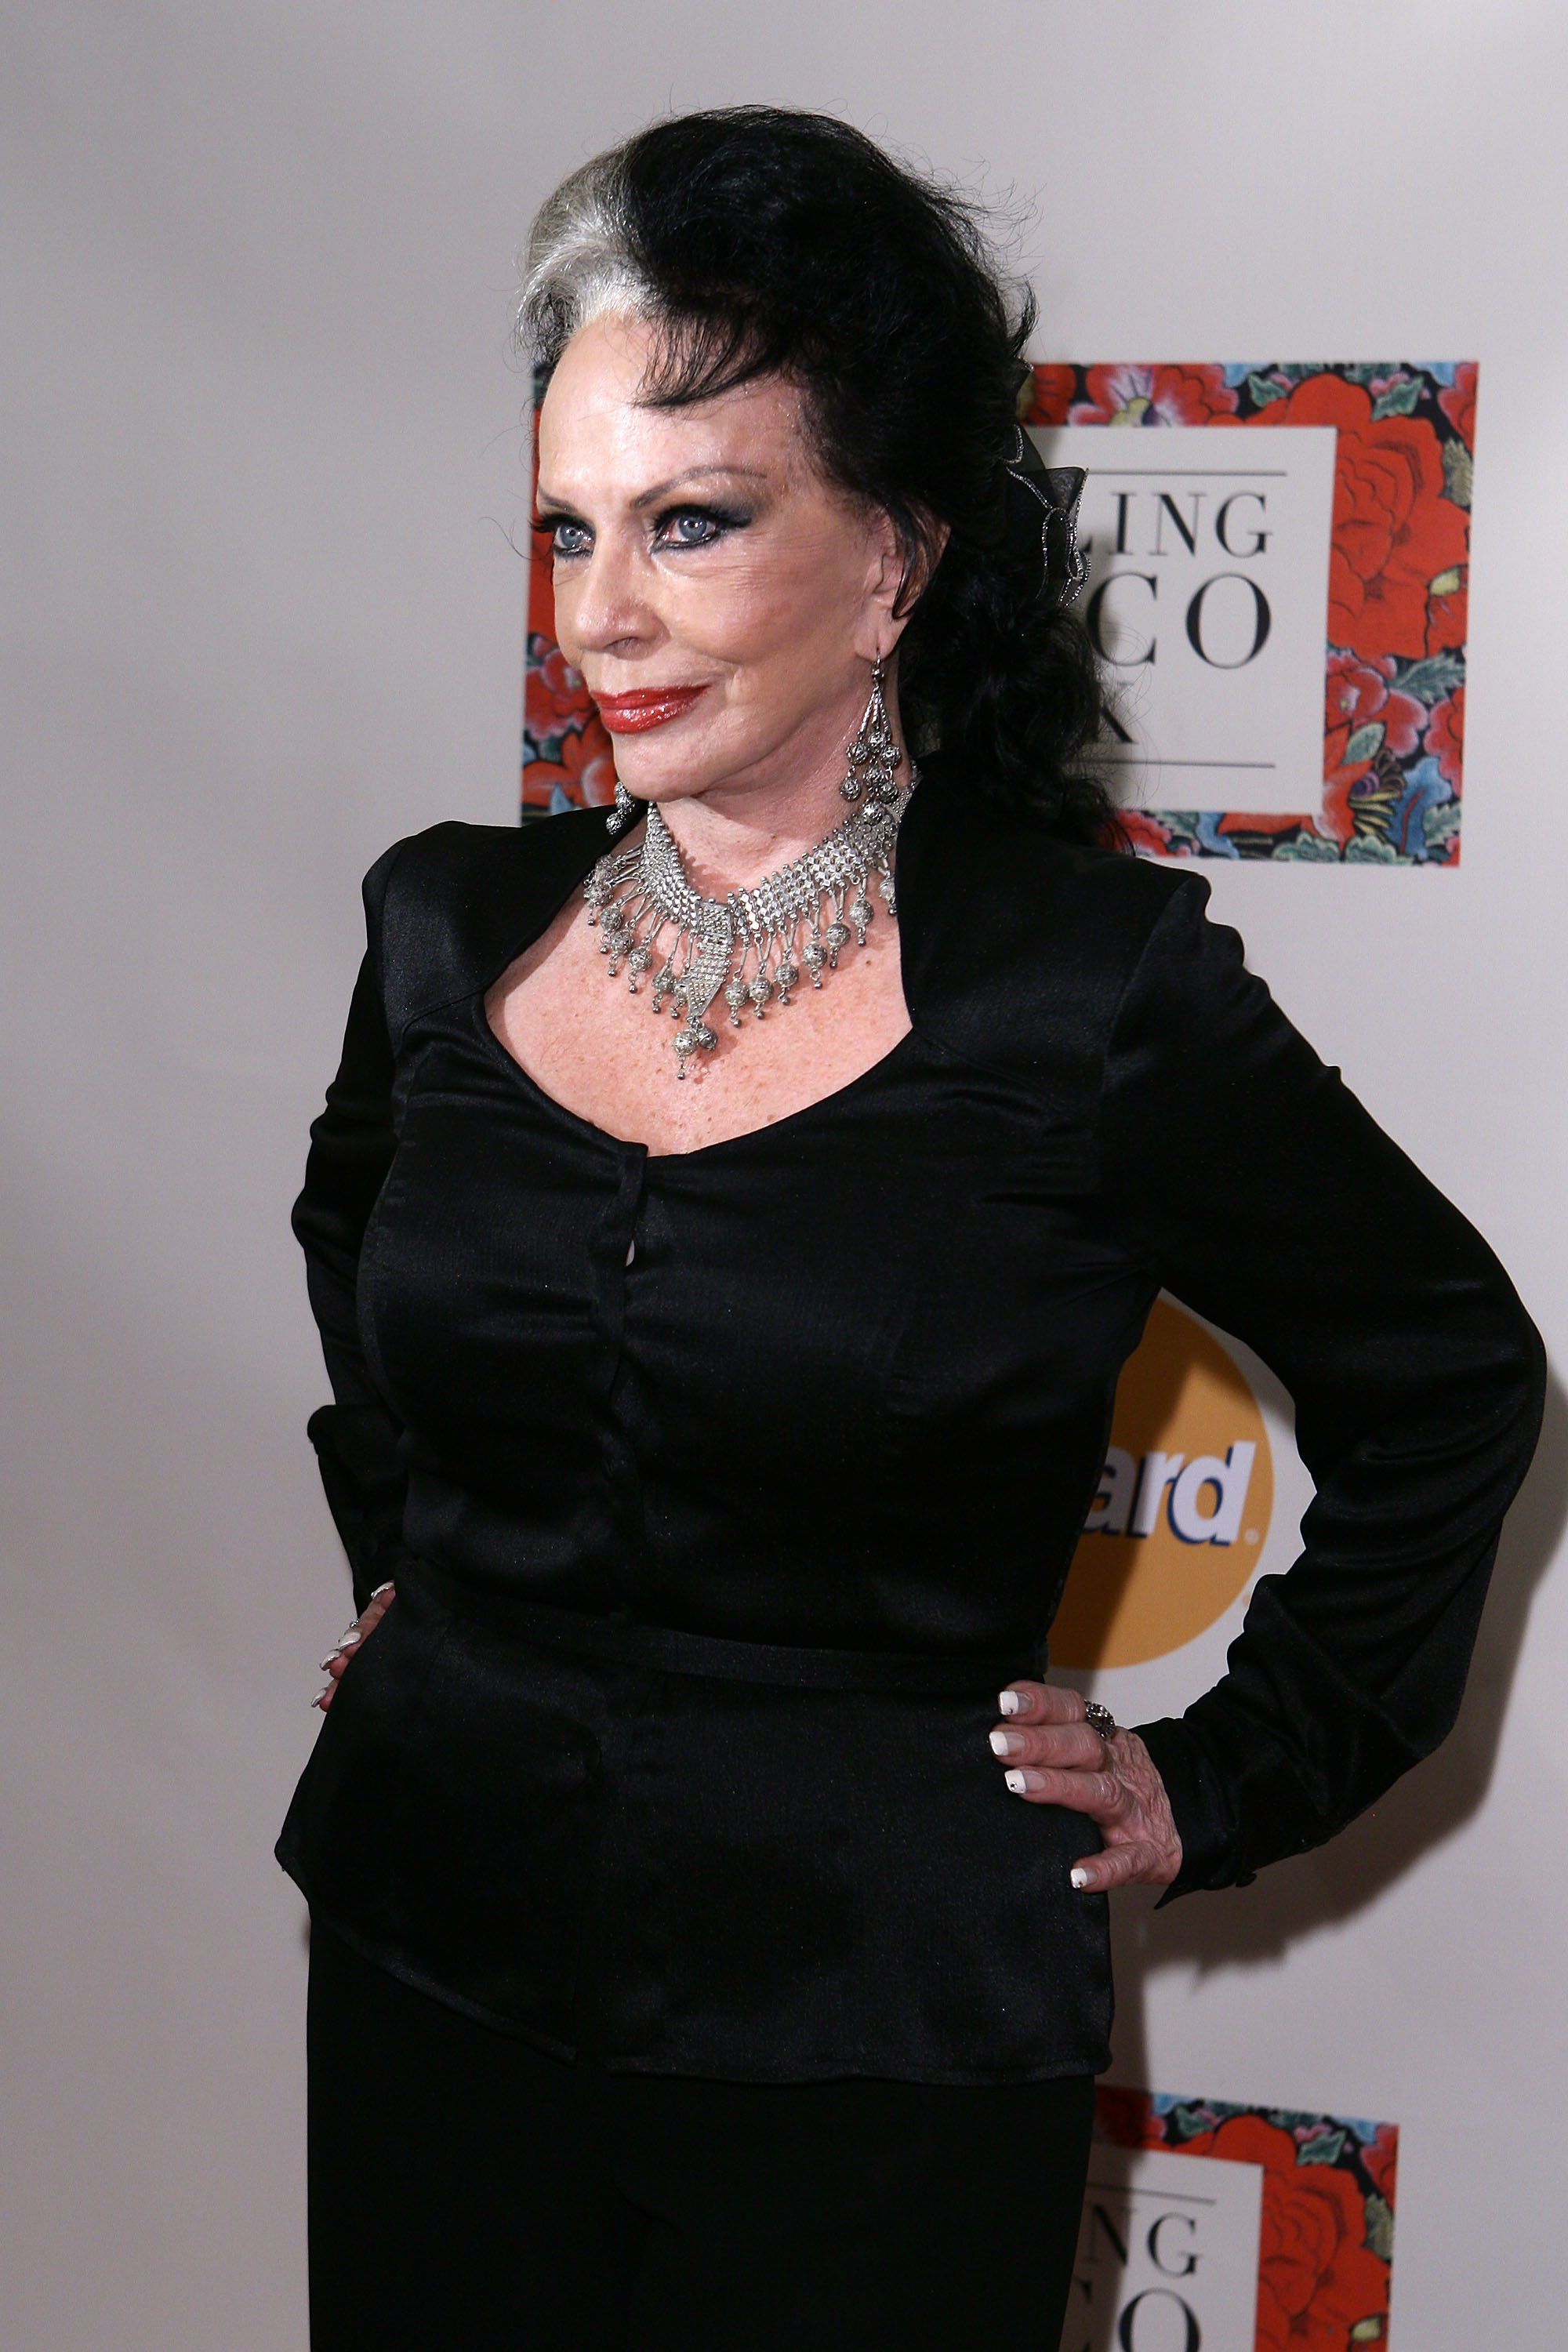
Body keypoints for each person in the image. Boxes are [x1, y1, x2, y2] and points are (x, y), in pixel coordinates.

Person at [278, 107, 1543, 2352]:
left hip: (881, 2028)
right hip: (425, 1953)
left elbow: (1446, 1372)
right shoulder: (440, 924)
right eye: (567, 530)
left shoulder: (1092, 994)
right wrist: (413, 1556)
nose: (602, 618)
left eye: (693, 523)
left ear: (894, 560)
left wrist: (1230, 1772)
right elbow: (357, 1230)